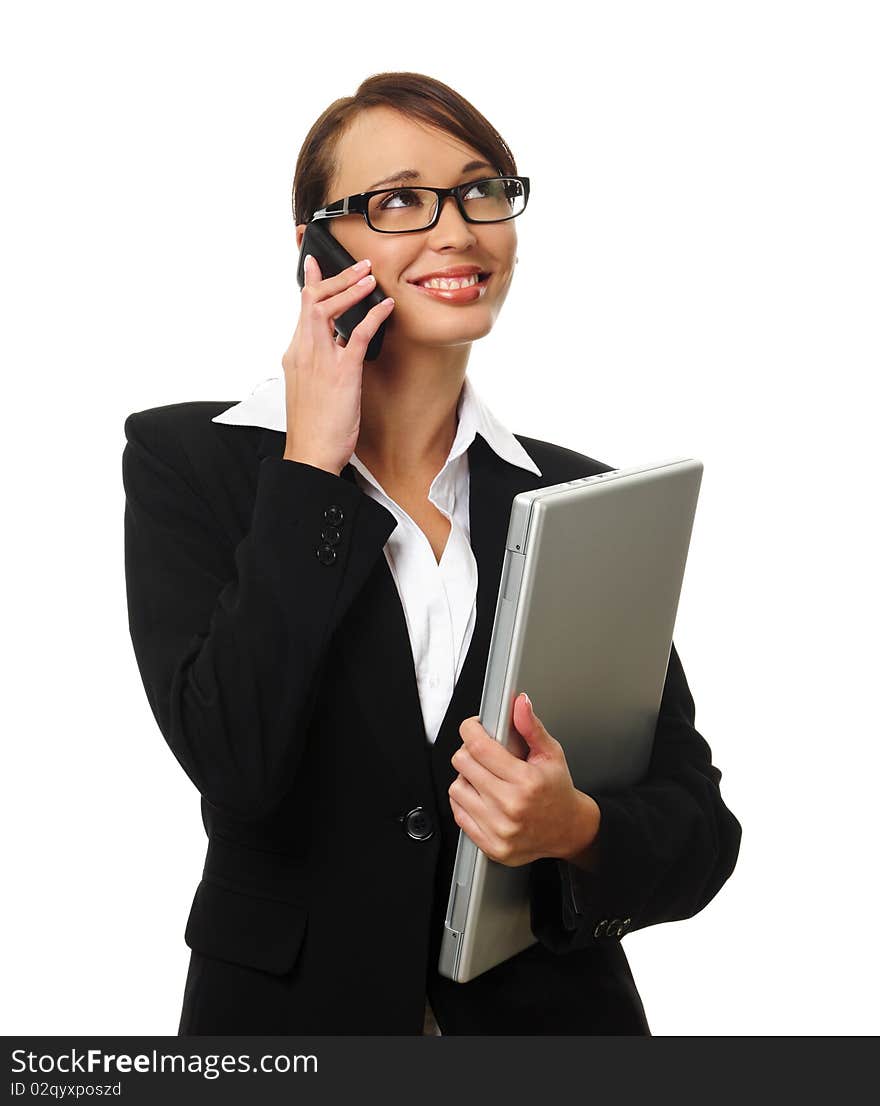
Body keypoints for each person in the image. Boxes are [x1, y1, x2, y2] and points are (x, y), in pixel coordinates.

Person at [121, 71, 742, 1036]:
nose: (457, 229)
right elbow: (234, 758)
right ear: (315, 249)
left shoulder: (580, 500)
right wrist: (309, 471)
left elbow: (700, 832)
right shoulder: (190, 464)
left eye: (481, 189)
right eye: (400, 200)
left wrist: (574, 828)